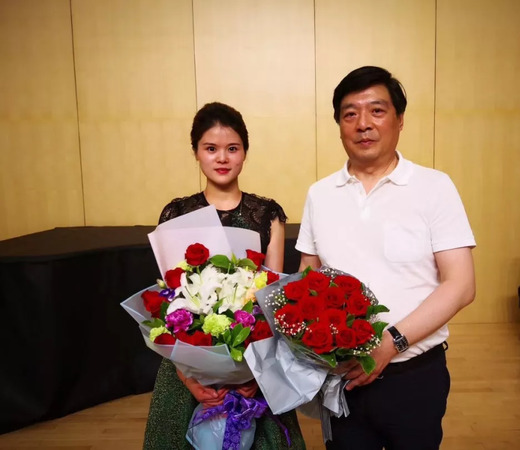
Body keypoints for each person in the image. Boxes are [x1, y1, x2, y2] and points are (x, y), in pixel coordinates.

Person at [296, 66, 476, 450]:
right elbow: (307, 280)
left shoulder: (434, 187)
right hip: (343, 379)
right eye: (350, 114)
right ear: (339, 125)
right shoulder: (320, 194)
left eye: (377, 111)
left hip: (413, 376)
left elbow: (461, 285)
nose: (363, 123)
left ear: (399, 120)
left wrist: (390, 343)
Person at [144, 102, 305, 450]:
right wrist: (189, 378)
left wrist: (257, 375)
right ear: (196, 152)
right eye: (211, 148)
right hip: (188, 370)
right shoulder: (176, 213)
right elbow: (170, 307)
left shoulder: (267, 215)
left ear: (245, 152)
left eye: (232, 148)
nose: (222, 158)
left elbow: (273, 302)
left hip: (252, 368)